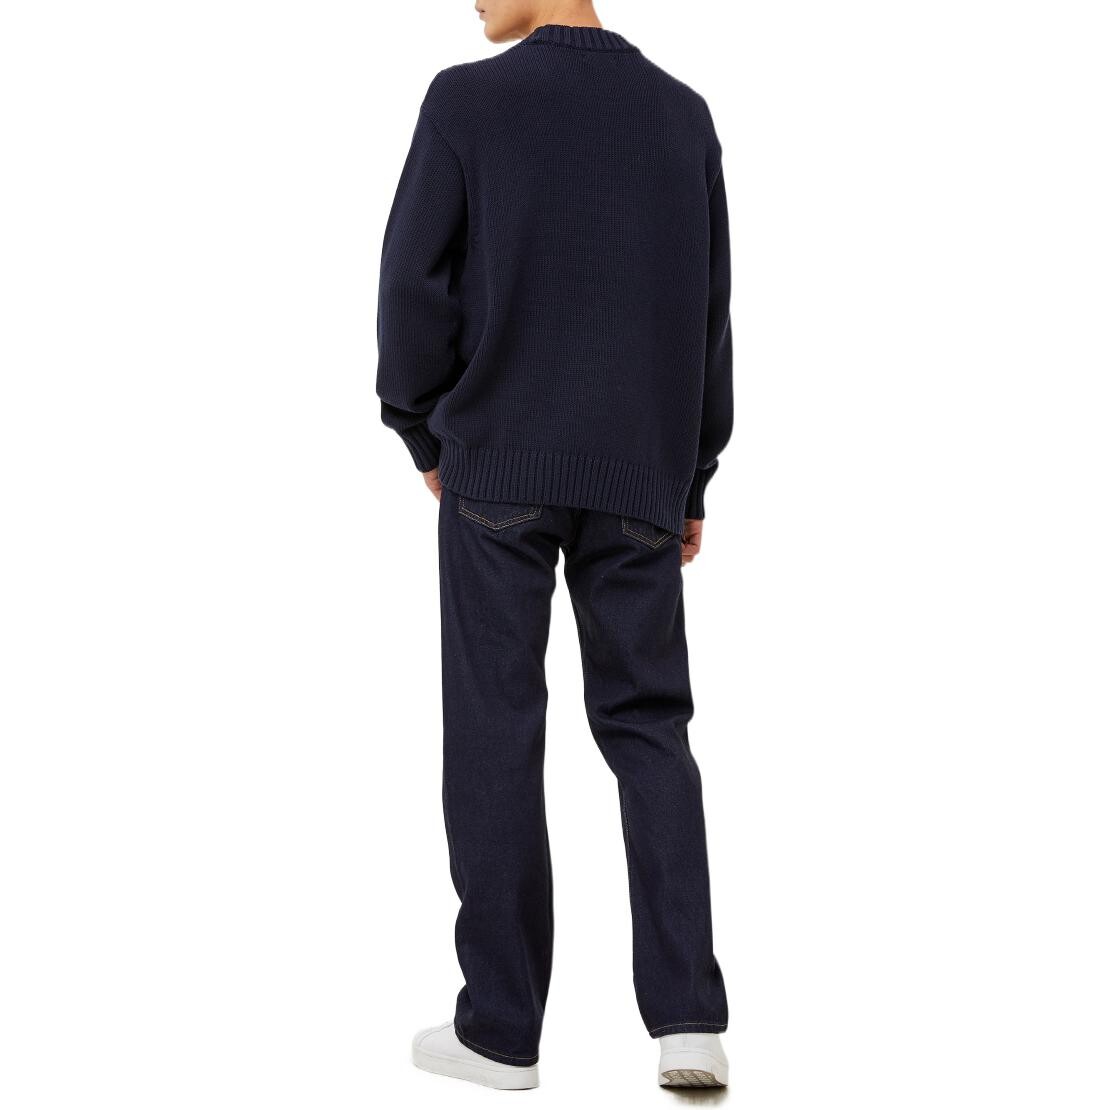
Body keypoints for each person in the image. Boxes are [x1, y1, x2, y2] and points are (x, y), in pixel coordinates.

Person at [375, 0, 733, 1090]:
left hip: (499, 468)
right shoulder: (681, 117)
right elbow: (709, 312)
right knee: (650, 728)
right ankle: (688, 1020)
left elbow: (411, 284)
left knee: (495, 727)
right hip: (638, 479)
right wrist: (691, 472)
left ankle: (499, 1029)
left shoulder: (467, 102)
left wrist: (420, 425)